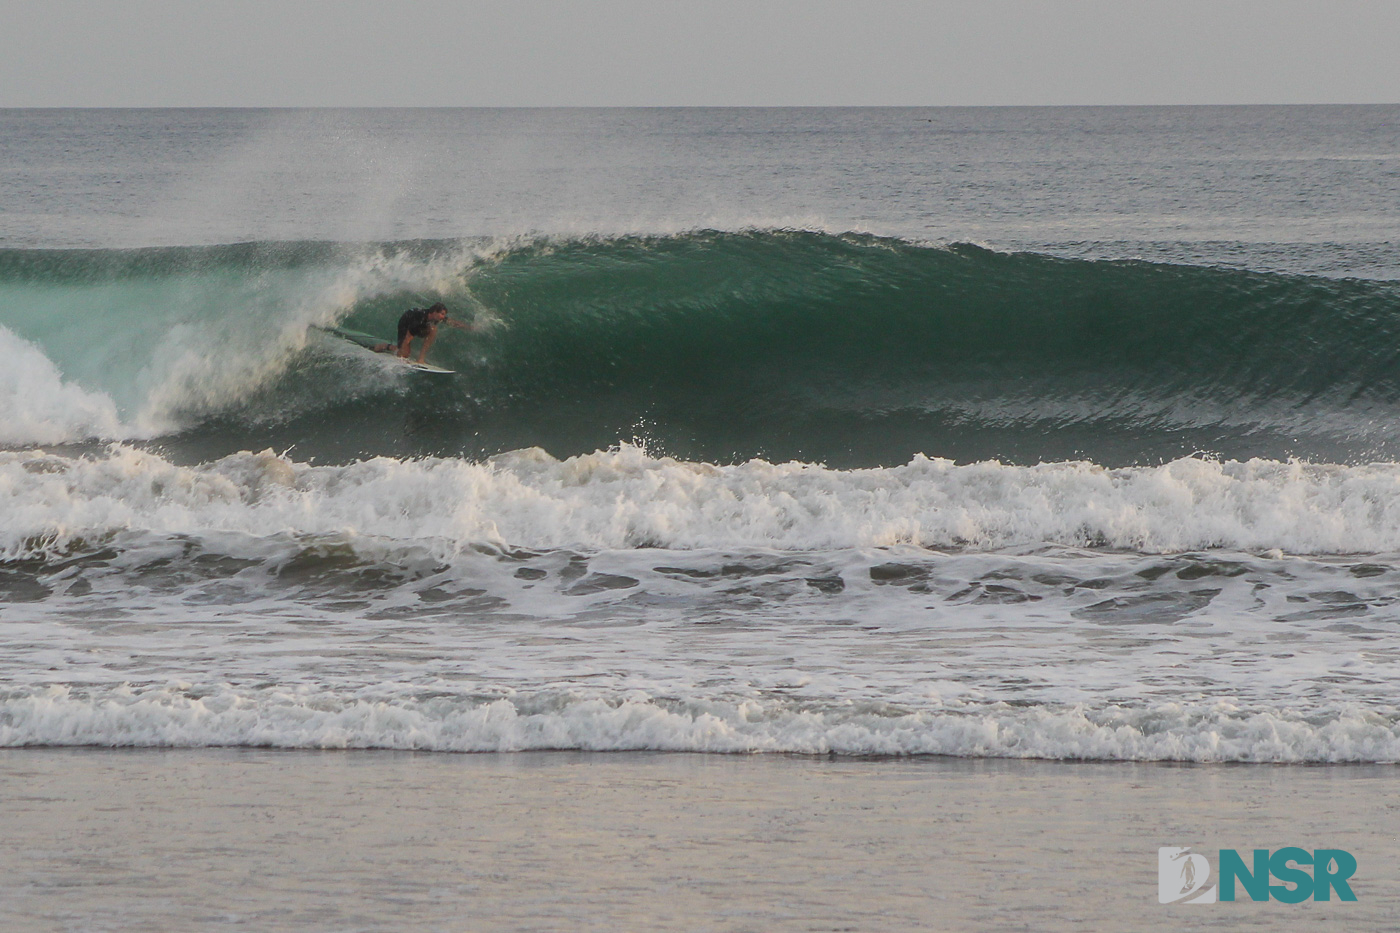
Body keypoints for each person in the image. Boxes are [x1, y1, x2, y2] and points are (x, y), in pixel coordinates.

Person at [377, 303, 472, 363]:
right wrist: (401, 357)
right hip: (405, 323)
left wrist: (469, 327)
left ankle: (421, 358)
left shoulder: (435, 318)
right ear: (434, 312)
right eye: (442, 314)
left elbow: (452, 322)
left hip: (420, 326)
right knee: (404, 353)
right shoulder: (419, 319)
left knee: (433, 329)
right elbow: (408, 337)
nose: (443, 317)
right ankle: (385, 346)